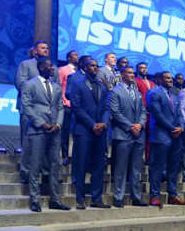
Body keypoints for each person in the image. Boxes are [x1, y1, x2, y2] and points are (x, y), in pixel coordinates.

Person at [21, 57, 69, 212]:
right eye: (49, 66)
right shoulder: (29, 84)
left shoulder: (56, 87)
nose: (52, 69)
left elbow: (60, 107)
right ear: (41, 67)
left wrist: (58, 124)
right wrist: (40, 122)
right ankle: (35, 200)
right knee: (35, 166)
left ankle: (55, 199)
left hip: (54, 131)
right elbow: (26, 106)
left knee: (55, 166)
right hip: (37, 130)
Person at [15, 41, 59, 183]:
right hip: (30, 109)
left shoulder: (54, 68)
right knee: (28, 143)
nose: (46, 50)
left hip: (49, 113)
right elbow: (20, 84)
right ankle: (26, 173)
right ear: (35, 51)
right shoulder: (26, 64)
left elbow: (56, 88)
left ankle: (46, 173)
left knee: (48, 145)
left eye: (47, 48)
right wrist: (39, 91)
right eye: (42, 48)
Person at [70, 58, 111, 210]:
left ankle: (97, 198)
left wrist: (103, 123)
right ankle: (80, 199)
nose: (95, 68)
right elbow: (77, 107)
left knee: (99, 166)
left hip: (100, 132)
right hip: (84, 130)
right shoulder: (77, 84)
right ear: (85, 68)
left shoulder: (103, 86)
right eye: (92, 66)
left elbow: (107, 107)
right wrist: (92, 124)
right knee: (81, 165)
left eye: (96, 66)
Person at [147, 72, 185, 206]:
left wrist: (181, 127)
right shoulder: (155, 94)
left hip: (176, 137)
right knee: (157, 167)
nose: (170, 80)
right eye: (167, 78)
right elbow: (158, 115)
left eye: (171, 78)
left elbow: (180, 115)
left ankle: (173, 194)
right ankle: (154, 195)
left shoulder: (174, 96)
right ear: (159, 80)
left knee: (173, 167)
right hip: (161, 135)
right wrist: (172, 128)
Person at [109, 66, 148, 208]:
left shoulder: (137, 93)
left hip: (138, 135)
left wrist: (140, 125)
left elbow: (144, 111)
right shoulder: (115, 91)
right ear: (122, 75)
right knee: (121, 168)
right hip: (123, 134)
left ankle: (136, 197)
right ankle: (118, 197)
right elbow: (115, 112)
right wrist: (131, 126)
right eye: (129, 73)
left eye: (133, 73)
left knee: (136, 169)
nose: (132, 75)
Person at [58, 50, 79, 166]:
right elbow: (60, 86)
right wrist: (64, 101)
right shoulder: (63, 70)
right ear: (69, 58)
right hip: (66, 105)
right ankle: (65, 155)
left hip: (77, 106)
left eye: (77, 55)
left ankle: (75, 155)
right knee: (65, 131)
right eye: (75, 55)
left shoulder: (80, 72)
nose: (77, 57)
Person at [134, 62, 156, 162]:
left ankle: (148, 158)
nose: (143, 70)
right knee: (140, 137)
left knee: (150, 137)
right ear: (137, 70)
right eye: (141, 68)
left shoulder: (152, 83)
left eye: (145, 68)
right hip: (141, 113)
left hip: (152, 114)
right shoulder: (135, 81)